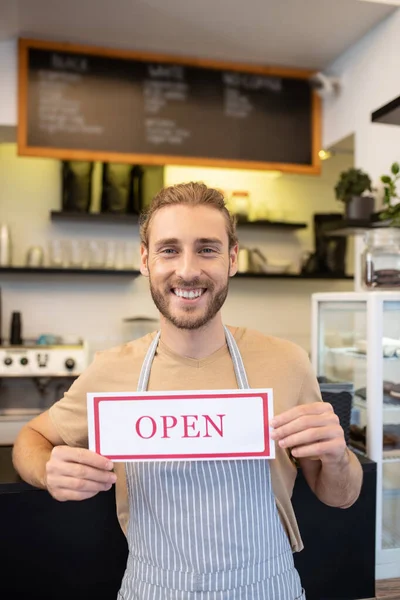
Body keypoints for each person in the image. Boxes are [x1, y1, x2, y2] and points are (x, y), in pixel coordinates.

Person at [13, 182, 363, 599]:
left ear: (232, 259)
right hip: (153, 588)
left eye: (207, 249)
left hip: (267, 587)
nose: (188, 269)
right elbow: (29, 438)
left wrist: (338, 456)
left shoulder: (288, 362)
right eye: (169, 249)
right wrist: (47, 470)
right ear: (145, 259)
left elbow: (341, 496)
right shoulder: (111, 370)